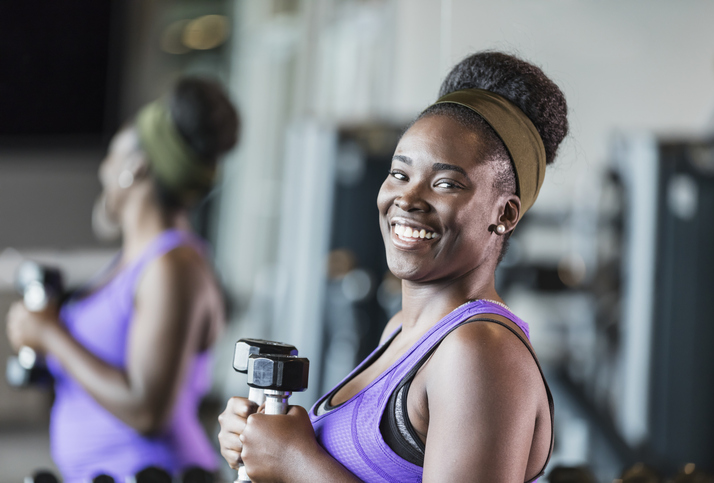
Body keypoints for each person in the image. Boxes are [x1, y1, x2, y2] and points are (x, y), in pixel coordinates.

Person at [218, 50, 567, 482]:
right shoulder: (400, 331)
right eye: (399, 174)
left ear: (506, 214)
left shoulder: (479, 353)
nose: (407, 198)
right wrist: (260, 439)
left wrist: (295, 462)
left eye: (445, 184)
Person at [5, 77, 239, 481]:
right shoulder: (134, 263)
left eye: (112, 155)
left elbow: (148, 410)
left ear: (136, 167)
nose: (103, 168)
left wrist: (50, 335)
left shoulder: (174, 266)